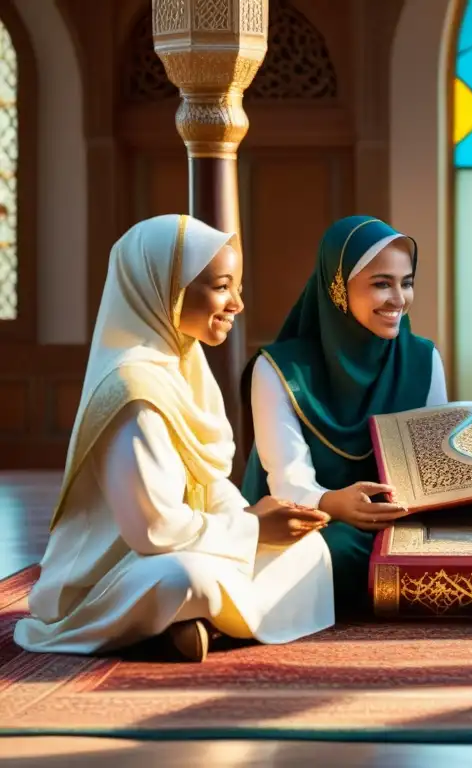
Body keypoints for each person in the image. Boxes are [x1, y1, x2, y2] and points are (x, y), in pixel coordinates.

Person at [14, 214, 333, 663]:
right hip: (121, 572)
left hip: (189, 541)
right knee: (184, 579)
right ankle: (192, 619)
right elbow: (154, 530)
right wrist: (254, 528)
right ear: (164, 288)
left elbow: (205, 480)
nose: (237, 303)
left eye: (237, 287)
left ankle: (190, 627)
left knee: (308, 550)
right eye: (222, 286)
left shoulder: (182, 361)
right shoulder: (131, 389)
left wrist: (260, 519)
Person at [242, 215, 447, 615]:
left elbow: (434, 467)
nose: (399, 299)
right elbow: (287, 480)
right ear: (337, 288)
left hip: (398, 524)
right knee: (333, 549)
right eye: (381, 283)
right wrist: (335, 503)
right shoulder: (278, 369)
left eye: (406, 282)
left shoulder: (424, 359)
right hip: (309, 522)